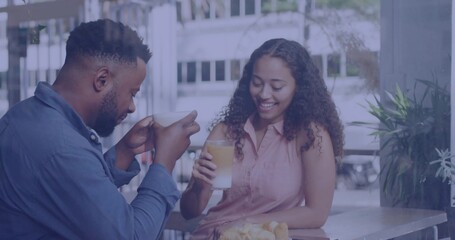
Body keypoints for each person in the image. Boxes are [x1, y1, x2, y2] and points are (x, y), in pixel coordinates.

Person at [0, 19, 200, 239]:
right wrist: (164, 163)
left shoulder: (27, 116)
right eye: (132, 93)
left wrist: (123, 152)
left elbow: (72, 192)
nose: (132, 107)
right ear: (102, 80)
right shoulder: (62, 148)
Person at [180, 38, 344, 239]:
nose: (264, 94)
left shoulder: (310, 136)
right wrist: (199, 184)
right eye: (257, 83)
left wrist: (248, 222)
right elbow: (190, 212)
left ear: (298, 88)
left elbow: (316, 213)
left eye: (276, 87)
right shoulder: (226, 132)